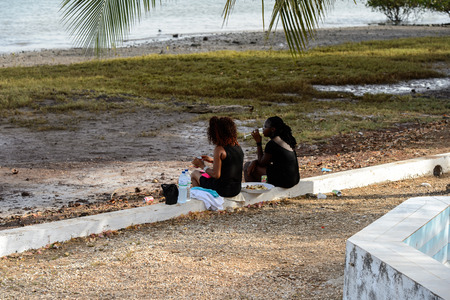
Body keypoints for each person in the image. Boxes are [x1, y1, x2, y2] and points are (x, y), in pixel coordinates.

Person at [191, 116, 244, 197]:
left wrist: (202, 165)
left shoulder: (219, 149)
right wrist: (213, 161)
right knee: (206, 177)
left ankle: (201, 197)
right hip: (236, 189)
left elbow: (216, 175)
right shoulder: (237, 146)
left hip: (222, 190)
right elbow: (230, 163)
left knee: (194, 174)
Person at [244, 116, 300, 188]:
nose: (263, 129)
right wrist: (254, 161)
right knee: (251, 165)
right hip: (294, 179)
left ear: (273, 129)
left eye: (265, 127)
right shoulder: (285, 140)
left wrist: (258, 143)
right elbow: (266, 162)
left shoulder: (272, 144)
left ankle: (253, 193)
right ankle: (259, 188)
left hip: (285, 181)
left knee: (247, 167)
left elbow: (261, 163)